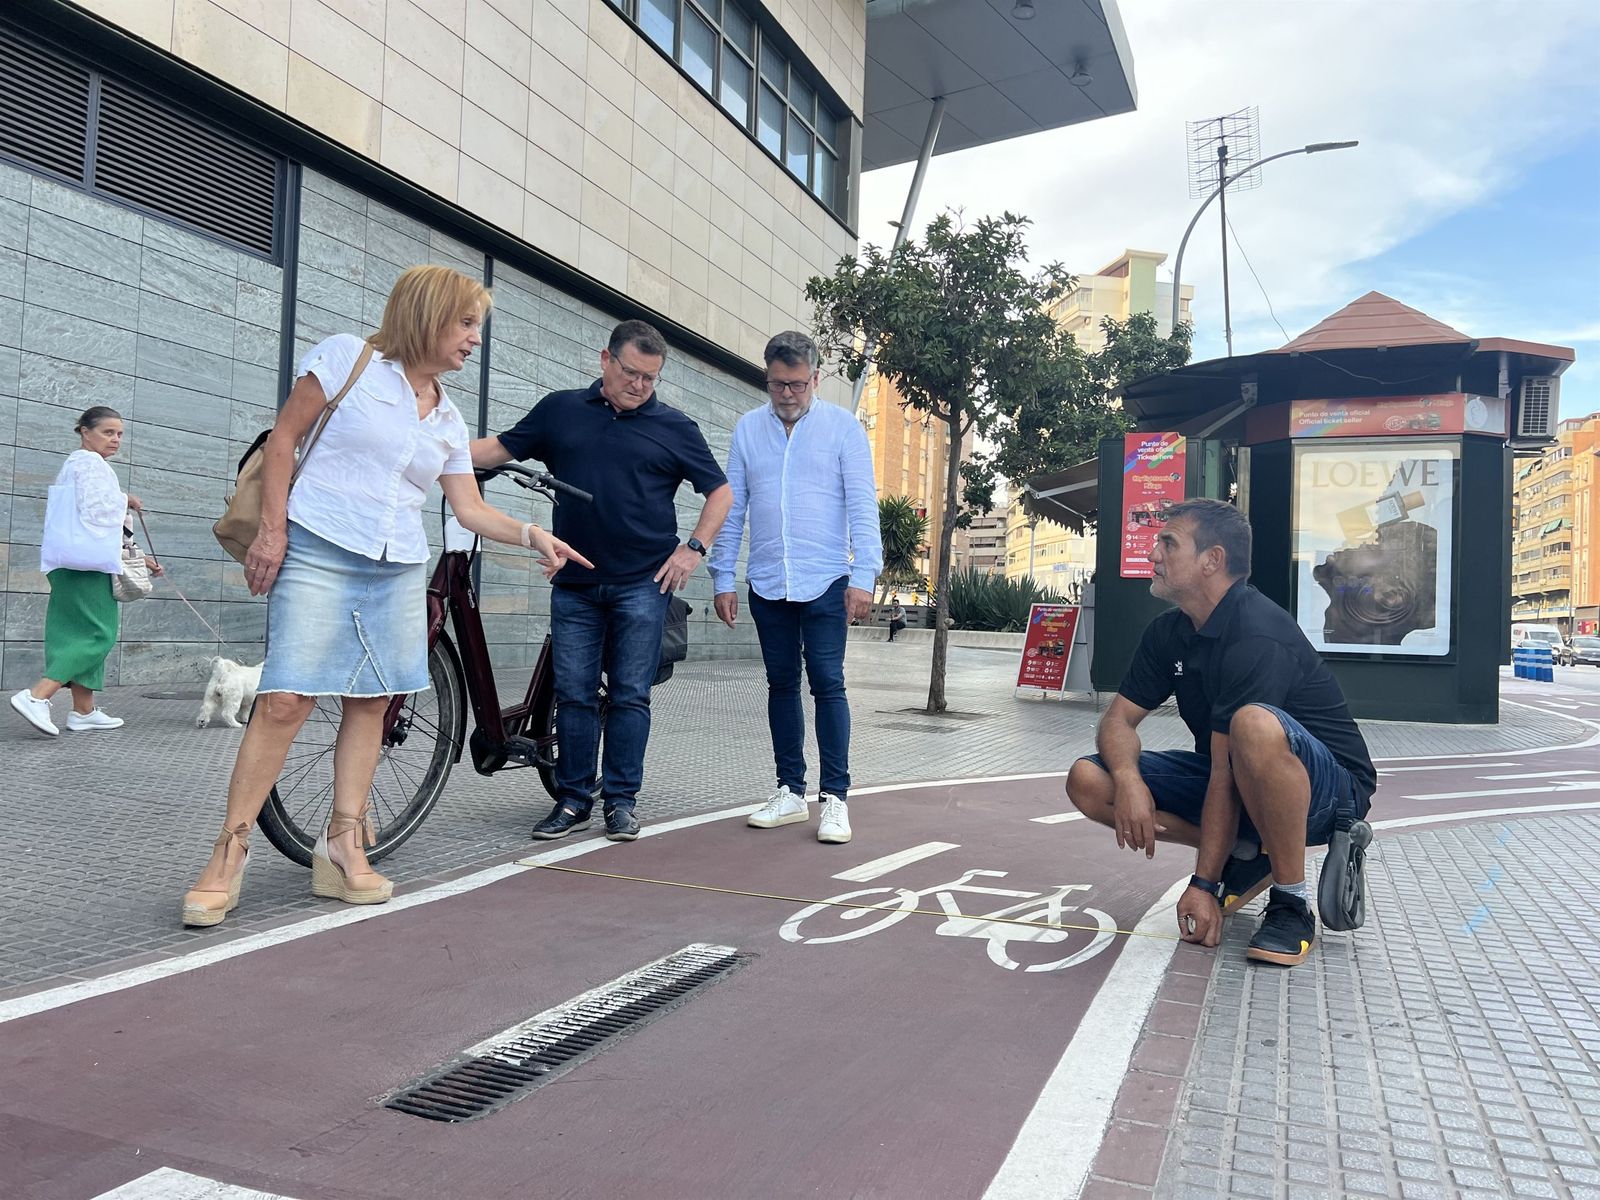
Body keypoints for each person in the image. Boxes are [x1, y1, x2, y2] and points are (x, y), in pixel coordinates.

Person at [181, 265, 592, 927]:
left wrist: (529, 533)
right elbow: (284, 439)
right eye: (466, 324)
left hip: (397, 565)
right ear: (429, 315)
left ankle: (343, 845)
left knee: (371, 701)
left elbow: (467, 507)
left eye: (475, 328)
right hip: (316, 547)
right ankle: (229, 851)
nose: (473, 340)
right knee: (285, 698)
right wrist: (272, 530)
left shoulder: (450, 418)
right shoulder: (348, 357)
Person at [1064, 498, 1375, 967]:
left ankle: (1291, 902)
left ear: (1212, 560)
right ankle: (1249, 854)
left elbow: (1225, 776)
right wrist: (1128, 779)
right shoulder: (1168, 633)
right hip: (1232, 772)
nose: (1153, 555)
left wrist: (1203, 886)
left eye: (1168, 543)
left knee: (1252, 723)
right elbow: (1117, 720)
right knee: (1088, 780)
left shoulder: (1256, 630)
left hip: (1330, 793)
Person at [472, 320, 731, 843]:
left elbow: (719, 492)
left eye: (651, 378)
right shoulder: (561, 410)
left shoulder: (675, 426)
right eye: (632, 373)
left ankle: (621, 802)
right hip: (575, 583)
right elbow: (495, 450)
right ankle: (572, 802)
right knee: (574, 694)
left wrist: (693, 549)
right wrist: (425, 451)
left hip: (644, 583)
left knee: (632, 695)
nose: (640, 386)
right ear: (605, 360)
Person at [710, 331, 881, 844]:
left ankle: (835, 799)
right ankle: (789, 790)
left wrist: (864, 577)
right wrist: (723, 575)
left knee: (828, 683)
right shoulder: (747, 429)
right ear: (767, 378)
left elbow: (862, 505)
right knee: (780, 684)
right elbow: (732, 507)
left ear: (816, 378)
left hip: (827, 579)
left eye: (797, 384)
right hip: (768, 581)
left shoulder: (843, 428)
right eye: (777, 385)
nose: (786, 394)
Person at [10, 407, 163, 737]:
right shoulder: (89, 463)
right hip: (86, 567)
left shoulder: (77, 464)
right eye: (108, 432)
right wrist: (126, 499)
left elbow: (89, 518)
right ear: (84, 431)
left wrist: (139, 557)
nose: (116, 439)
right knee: (98, 634)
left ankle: (83, 711)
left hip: (69, 562)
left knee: (71, 632)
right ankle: (37, 696)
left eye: (120, 433)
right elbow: (98, 510)